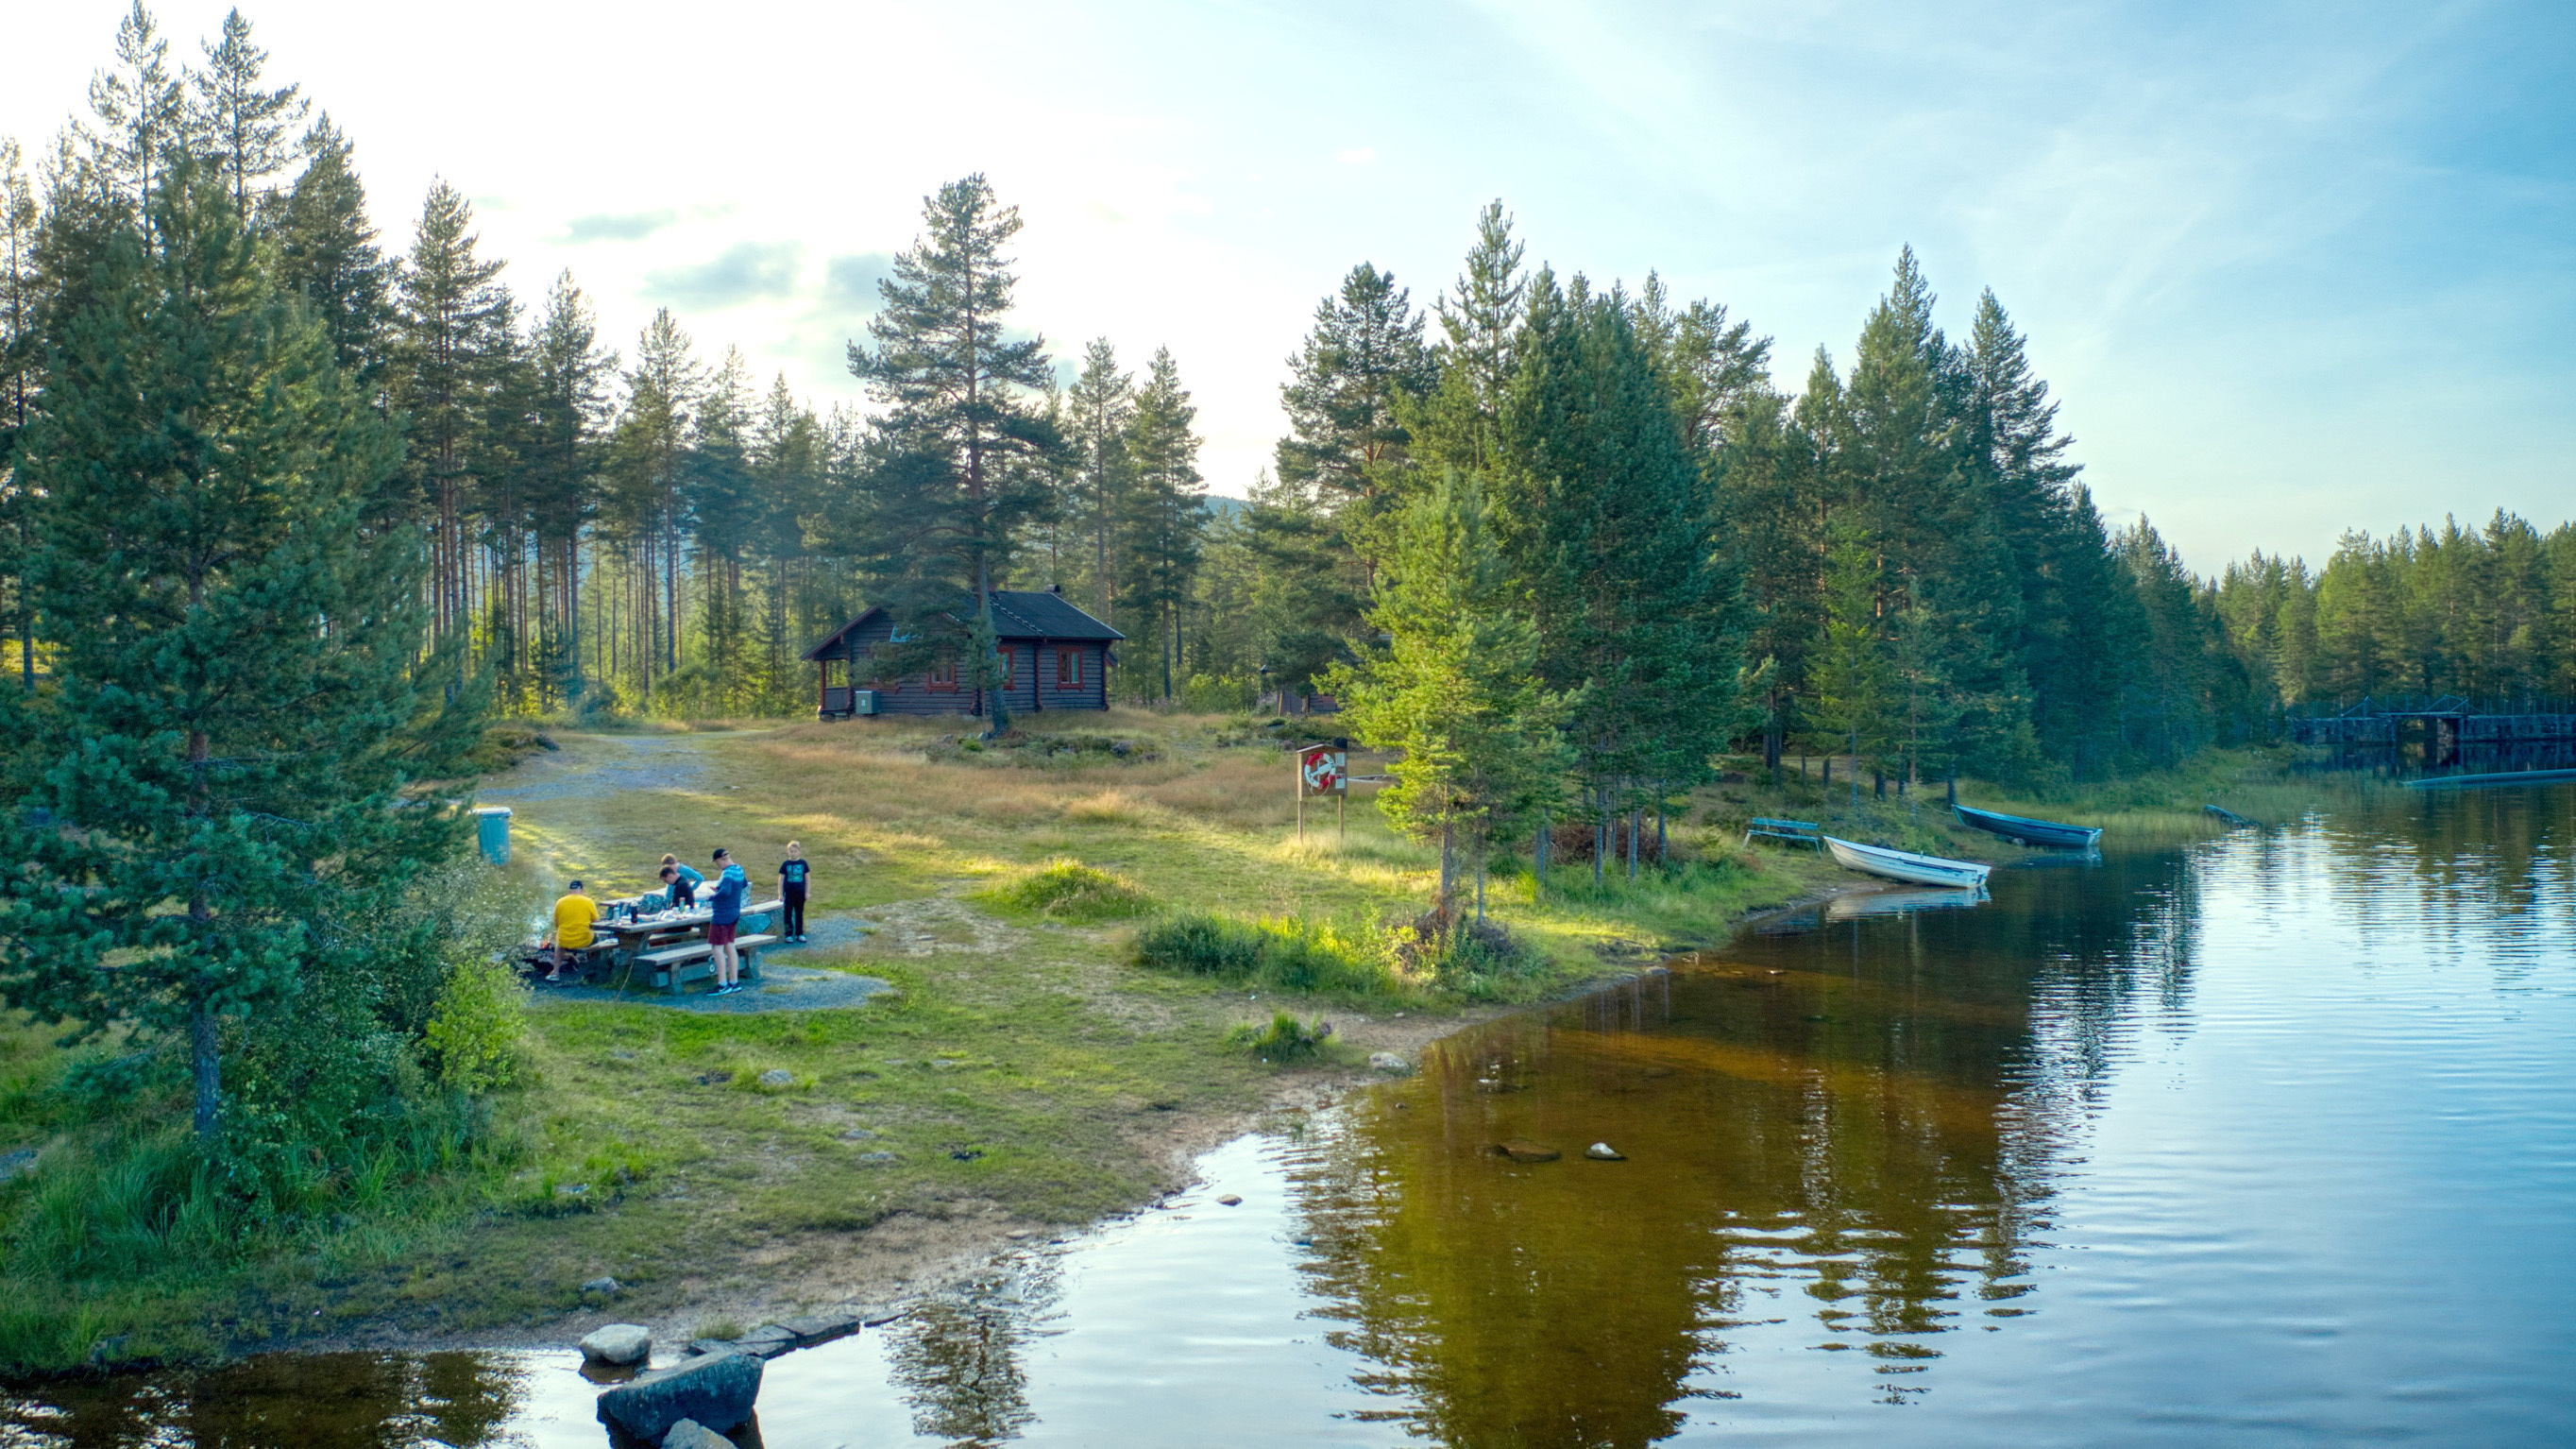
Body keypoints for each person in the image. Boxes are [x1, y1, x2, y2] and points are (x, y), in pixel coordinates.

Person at [705, 847, 750, 994]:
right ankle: (734, 981)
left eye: (717, 863)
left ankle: (722, 983)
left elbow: (725, 891)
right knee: (730, 945)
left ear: (720, 860)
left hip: (722, 914)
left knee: (717, 948)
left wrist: (712, 897)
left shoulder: (727, 873)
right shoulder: (739, 869)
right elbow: (743, 885)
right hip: (734, 911)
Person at [541, 879, 600, 983]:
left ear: (570, 890)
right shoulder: (588, 902)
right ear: (582, 890)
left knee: (559, 946)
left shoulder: (560, 902)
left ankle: (555, 972)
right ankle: (590, 969)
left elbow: (556, 922)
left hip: (565, 940)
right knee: (597, 939)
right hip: (583, 940)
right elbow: (596, 921)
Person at [777, 842, 811, 943]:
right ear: (788, 852)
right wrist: (780, 893)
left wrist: (807, 892)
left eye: (795, 851)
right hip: (788, 893)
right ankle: (788, 934)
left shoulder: (803, 863)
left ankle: (799, 933)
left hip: (800, 892)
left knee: (799, 913)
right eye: (791, 851)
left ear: (799, 852)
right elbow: (781, 879)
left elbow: (808, 879)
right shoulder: (785, 864)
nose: (793, 853)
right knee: (787, 913)